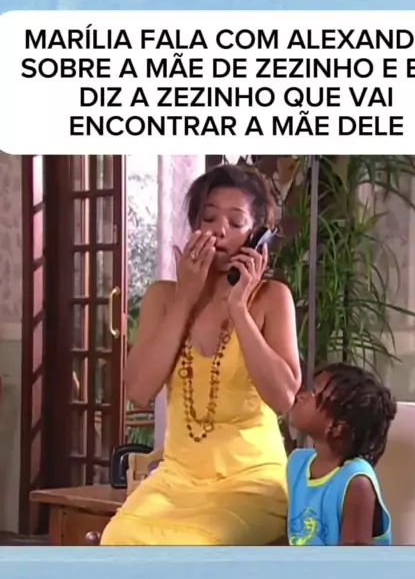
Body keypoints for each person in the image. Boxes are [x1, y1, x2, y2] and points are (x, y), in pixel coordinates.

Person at [101, 164, 302, 546]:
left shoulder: (273, 298)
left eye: (235, 222)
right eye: (208, 218)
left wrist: (239, 308)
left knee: (197, 545)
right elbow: (139, 390)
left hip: (251, 481)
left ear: (257, 235)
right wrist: (185, 298)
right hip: (176, 479)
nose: (218, 230)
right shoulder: (163, 296)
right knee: (118, 537)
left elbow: (283, 398)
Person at [286, 362, 396, 546]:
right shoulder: (297, 463)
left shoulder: (356, 482)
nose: (301, 395)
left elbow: (353, 561)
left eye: (314, 393)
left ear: (338, 428)